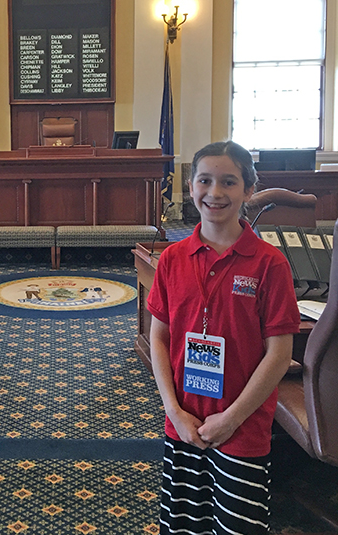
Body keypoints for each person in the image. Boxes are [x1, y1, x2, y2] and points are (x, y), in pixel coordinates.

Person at [147, 141, 300, 534]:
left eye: (228, 182)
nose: (214, 193)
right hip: (183, 422)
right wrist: (174, 412)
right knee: (182, 525)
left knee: (236, 526)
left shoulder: (270, 264)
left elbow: (280, 354)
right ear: (191, 186)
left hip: (241, 428)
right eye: (205, 180)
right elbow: (159, 339)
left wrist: (231, 420)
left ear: (248, 190)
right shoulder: (171, 258)